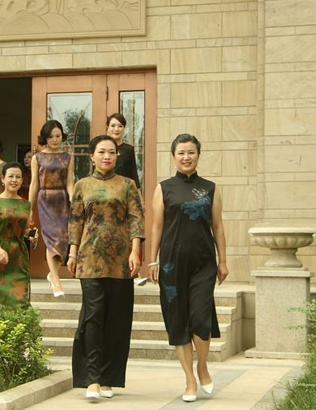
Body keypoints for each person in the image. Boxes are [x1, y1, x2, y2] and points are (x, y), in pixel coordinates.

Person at [147, 133, 229, 403]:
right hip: (171, 264)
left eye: (191, 152)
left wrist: (223, 260)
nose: (186, 157)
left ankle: (202, 366)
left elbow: (217, 226)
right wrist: (153, 260)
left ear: (198, 155)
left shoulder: (210, 188)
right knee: (178, 321)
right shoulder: (163, 188)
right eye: (181, 152)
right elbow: (157, 227)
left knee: (200, 318)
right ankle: (190, 379)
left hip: (203, 263)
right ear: (173, 156)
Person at [67, 134, 144, 400]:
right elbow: (75, 221)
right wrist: (72, 253)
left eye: (111, 152)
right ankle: (92, 379)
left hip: (121, 261)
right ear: (92, 156)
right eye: (101, 152)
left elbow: (136, 218)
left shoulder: (127, 184)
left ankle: (109, 378)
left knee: (117, 319)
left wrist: (136, 250)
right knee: (93, 316)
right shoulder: (82, 185)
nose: (107, 156)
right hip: (89, 259)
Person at [0, 162, 36, 309]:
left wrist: (32, 235)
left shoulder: (26, 204)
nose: (14, 180)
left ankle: (20, 324)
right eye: (11, 176)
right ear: (3, 179)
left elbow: (25, 229)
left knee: (20, 299)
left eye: (18, 177)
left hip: (18, 256)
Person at [28, 120, 73, 297]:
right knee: (51, 239)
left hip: (62, 200)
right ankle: (56, 280)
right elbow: (34, 184)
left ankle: (52, 274)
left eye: (58, 136)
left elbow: (70, 183)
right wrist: (29, 207)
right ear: (45, 138)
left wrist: (73, 199)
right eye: (51, 136)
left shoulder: (68, 157)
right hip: (45, 199)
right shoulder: (37, 158)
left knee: (63, 239)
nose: (55, 139)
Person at [106, 113, 147, 285]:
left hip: (126, 196)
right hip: (107, 197)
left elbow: (134, 176)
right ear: (107, 127)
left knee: (131, 231)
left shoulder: (128, 149)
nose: (116, 129)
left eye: (120, 126)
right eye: (113, 125)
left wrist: (140, 200)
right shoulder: (102, 147)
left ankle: (135, 272)